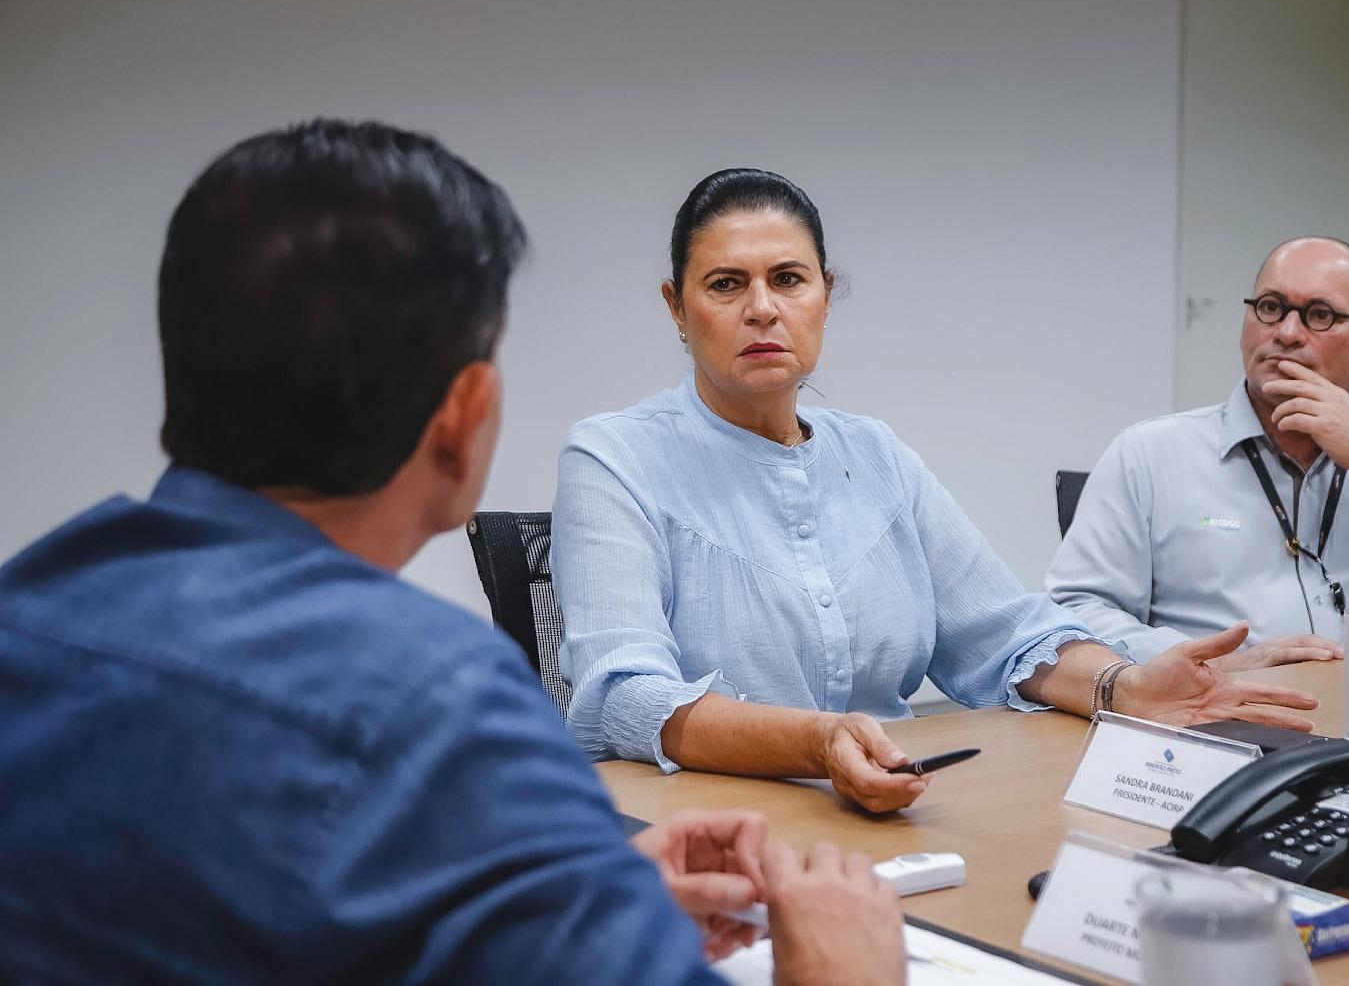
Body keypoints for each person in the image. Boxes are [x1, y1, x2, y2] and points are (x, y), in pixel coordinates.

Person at [0, 122, 905, 984]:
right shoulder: (437, 707)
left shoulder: (28, 612)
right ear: (462, 417)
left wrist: (573, 893)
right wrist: (842, 969)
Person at [552, 168, 1318, 813]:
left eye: (789, 280)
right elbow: (625, 695)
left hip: (889, 811)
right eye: (726, 284)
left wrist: (1125, 687)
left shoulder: (874, 454)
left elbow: (1007, 636)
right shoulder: (615, 456)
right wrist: (815, 741)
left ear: (825, 295)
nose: (762, 308)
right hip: (708, 825)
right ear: (676, 308)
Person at [1046, 236, 1349, 670]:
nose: (1288, 333)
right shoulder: (1149, 455)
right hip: (1215, 724)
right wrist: (1206, 664)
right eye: (1271, 308)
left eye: (1321, 315)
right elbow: (1076, 611)